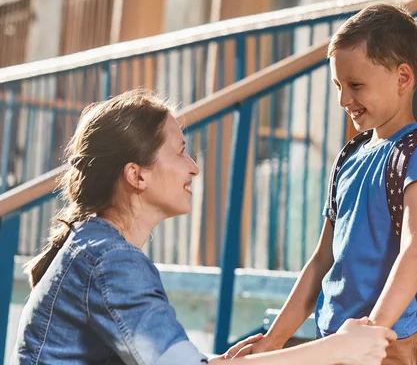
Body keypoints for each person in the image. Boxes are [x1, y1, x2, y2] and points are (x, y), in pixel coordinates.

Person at [10, 89, 397, 365]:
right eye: (180, 152)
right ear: (136, 175)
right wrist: (337, 350)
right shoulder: (110, 260)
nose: (193, 166)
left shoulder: (94, 247)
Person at [234, 4, 417, 365]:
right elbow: (322, 259)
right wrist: (274, 340)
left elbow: (416, 251)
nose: (343, 99)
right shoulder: (349, 157)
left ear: (402, 78)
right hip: (333, 338)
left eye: (355, 85)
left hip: (387, 344)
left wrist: (372, 334)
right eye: (338, 85)